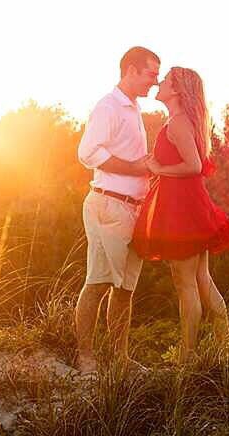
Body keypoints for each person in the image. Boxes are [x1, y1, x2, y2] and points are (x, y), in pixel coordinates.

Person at [130, 67, 229, 363]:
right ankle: (226, 351)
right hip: (188, 205)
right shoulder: (179, 121)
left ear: (176, 90)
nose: (159, 83)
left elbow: (193, 165)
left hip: (182, 209)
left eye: (164, 81)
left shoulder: (178, 123)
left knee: (186, 283)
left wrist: (158, 169)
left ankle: (188, 358)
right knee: (202, 280)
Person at [75, 46, 160, 373]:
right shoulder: (108, 106)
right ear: (131, 69)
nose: (155, 80)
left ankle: (119, 360)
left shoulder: (133, 108)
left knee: (125, 288)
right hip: (108, 204)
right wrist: (136, 168)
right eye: (151, 73)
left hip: (133, 211)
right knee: (98, 282)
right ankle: (85, 358)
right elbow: (88, 152)